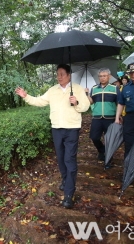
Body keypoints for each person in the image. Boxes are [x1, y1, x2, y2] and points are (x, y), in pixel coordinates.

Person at [15, 64, 90, 209]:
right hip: (56, 129)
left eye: (62, 74)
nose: (59, 76)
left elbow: (86, 106)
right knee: (61, 158)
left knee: (70, 159)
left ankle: (69, 194)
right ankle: (65, 179)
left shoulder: (77, 89)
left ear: (69, 75)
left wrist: (77, 102)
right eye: (58, 74)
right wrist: (26, 96)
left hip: (72, 129)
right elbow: (40, 101)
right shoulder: (53, 90)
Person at [85, 68, 120, 169]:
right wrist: (87, 94)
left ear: (109, 76)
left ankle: (108, 160)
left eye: (104, 76)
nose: (102, 78)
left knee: (109, 140)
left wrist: (119, 116)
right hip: (97, 117)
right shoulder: (94, 88)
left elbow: (119, 103)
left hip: (110, 118)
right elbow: (91, 102)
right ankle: (102, 150)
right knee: (94, 137)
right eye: (100, 76)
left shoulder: (114, 88)